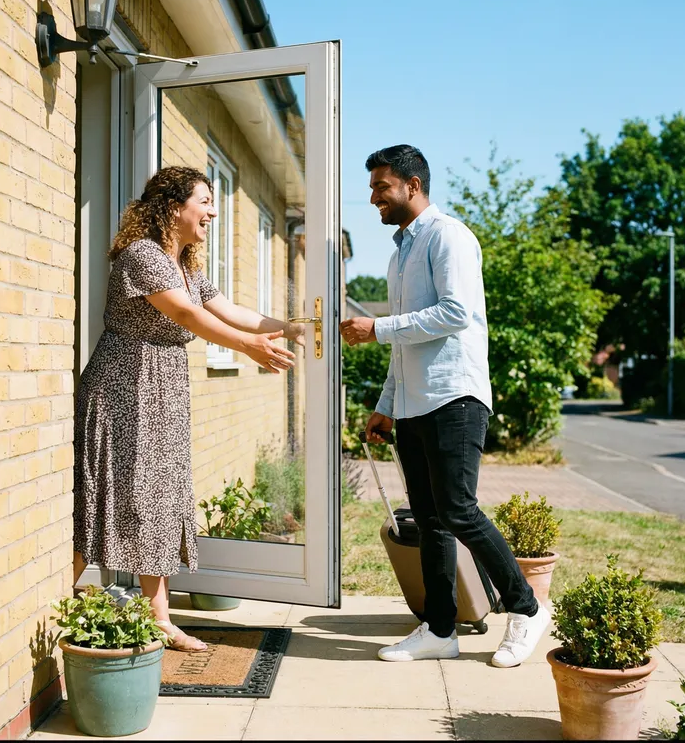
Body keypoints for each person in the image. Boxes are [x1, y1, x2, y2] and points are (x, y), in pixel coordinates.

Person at [72, 166, 304, 652]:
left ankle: (158, 619)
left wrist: (293, 328)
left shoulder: (186, 267)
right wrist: (247, 347)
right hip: (126, 387)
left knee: (155, 500)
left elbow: (229, 309)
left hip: (161, 390)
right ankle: (51, 602)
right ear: (172, 206)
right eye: (204, 201)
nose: (213, 211)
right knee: (116, 499)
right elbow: (185, 314)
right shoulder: (143, 255)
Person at [340, 145, 550, 666]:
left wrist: (378, 327)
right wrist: (387, 404)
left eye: (380, 187)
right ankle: (438, 629)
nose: (373, 198)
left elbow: (456, 312)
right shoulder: (399, 254)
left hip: (455, 396)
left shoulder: (448, 236)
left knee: (457, 508)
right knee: (430, 518)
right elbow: (406, 342)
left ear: (413, 185)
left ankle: (527, 608)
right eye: (372, 189)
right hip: (413, 404)